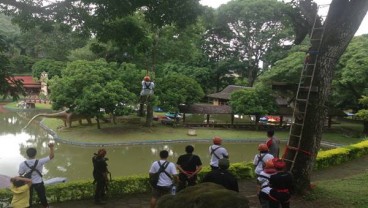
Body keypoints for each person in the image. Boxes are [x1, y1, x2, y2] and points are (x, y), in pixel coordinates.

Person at [18, 143, 54, 208]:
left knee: (29, 196)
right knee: (42, 195)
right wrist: (51, 147)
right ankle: (46, 206)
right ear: (35, 154)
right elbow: (51, 156)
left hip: (28, 182)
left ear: (27, 154)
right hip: (39, 182)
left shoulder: (22, 164)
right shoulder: (40, 161)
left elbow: (20, 173)